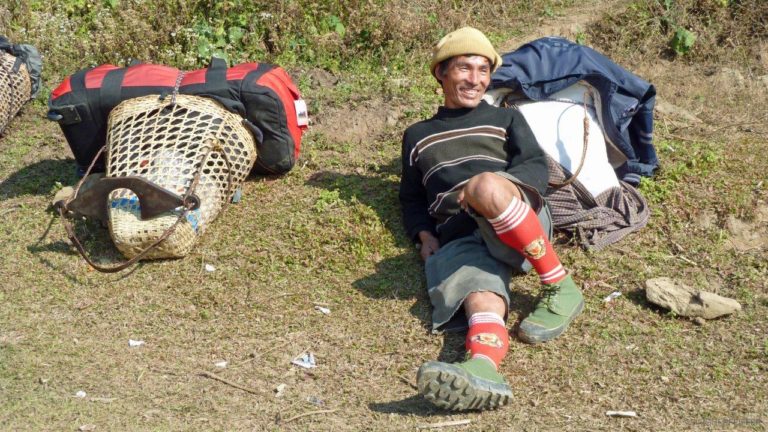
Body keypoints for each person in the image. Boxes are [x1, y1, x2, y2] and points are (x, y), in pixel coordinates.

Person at [399, 27, 585, 411]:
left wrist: (494, 190)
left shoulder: (506, 119)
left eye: (483, 70)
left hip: (515, 218)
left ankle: (559, 284)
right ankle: (483, 369)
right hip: (459, 236)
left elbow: (535, 165)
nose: (475, 79)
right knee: (480, 297)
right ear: (441, 73)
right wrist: (422, 234)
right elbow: (412, 196)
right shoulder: (417, 135)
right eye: (465, 68)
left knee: (484, 186)